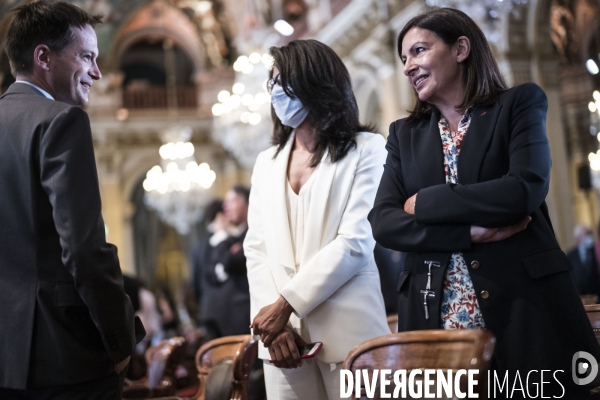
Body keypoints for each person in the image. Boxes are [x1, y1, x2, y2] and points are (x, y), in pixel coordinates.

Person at [368, 7, 600, 397]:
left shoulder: (518, 104)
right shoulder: (404, 135)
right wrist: (466, 232)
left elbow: (522, 191)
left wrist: (425, 201)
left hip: (524, 304)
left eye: (419, 51)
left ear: (460, 48)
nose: (408, 66)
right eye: (404, 58)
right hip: (435, 311)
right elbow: (384, 222)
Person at [0, 1, 144, 398]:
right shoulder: (60, 121)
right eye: (86, 57)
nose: (97, 72)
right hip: (64, 357)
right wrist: (119, 342)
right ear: (43, 57)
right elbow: (83, 249)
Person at [245, 39, 390, 400]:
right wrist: (273, 327)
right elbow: (257, 249)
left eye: (285, 82)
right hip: (282, 343)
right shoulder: (267, 162)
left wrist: (286, 304)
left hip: (349, 334)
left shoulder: (366, 150)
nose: (276, 92)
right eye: (272, 83)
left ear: (317, 83)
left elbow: (356, 241)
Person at [201, 186, 251, 339]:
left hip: (242, 317)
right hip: (218, 317)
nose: (226, 206)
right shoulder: (230, 239)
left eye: (233, 200)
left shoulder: (252, 233)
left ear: (248, 204)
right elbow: (210, 273)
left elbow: (230, 263)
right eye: (226, 202)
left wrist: (222, 237)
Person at [567, 224, 600, 298]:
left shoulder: (596, 250)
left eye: (590, 233)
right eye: (586, 234)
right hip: (580, 295)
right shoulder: (571, 255)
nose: (589, 236)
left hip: (597, 293)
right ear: (578, 237)